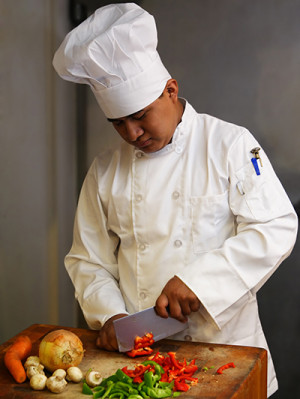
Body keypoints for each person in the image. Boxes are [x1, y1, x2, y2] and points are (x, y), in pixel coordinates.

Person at [53, 3, 298, 397]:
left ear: (171, 90)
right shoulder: (104, 171)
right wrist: (111, 315)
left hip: (228, 355)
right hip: (140, 361)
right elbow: (88, 261)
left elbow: (275, 226)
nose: (132, 133)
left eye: (141, 116)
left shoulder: (230, 145)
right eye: (118, 123)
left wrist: (199, 283)